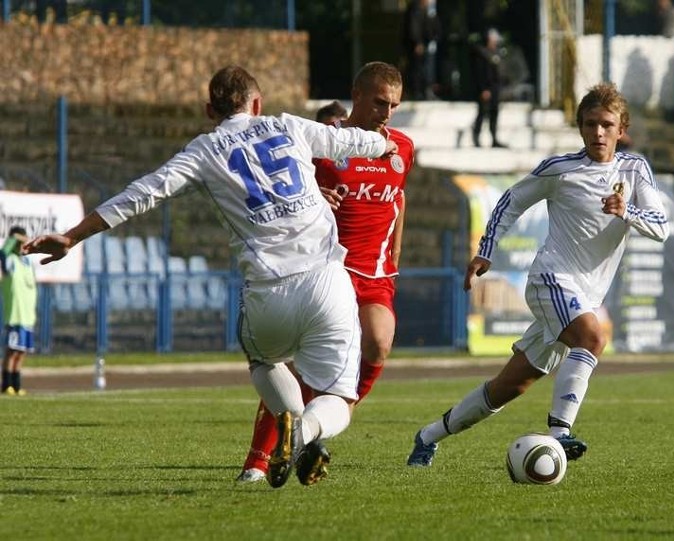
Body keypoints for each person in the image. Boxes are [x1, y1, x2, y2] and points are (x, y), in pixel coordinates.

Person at [22, 65, 398, 488]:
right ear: (257, 104)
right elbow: (350, 140)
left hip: (267, 292)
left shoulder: (204, 151)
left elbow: (142, 194)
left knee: (264, 360)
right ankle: (307, 432)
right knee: (339, 399)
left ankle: (289, 422)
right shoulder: (287, 125)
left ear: (209, 110)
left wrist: (72, 236)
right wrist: (382, 143)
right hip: (327, 281)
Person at [406, 82, 670, 467]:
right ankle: (559, 435)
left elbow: (661, 227)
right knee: (593, 335)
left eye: (607, 125)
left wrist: (626, 210)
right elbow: (509, 202)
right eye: (591, 124)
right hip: (551, 279)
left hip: (585, 295)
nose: (599, 132)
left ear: (621, 128)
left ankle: (428, 436)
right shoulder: (560, 169)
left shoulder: (635, 169)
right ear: (580, 127)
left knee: (509, 386)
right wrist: (486, 252)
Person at [237, 62, 415, 483]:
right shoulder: (324, 142)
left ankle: (313, 428)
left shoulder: (402, 147)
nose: (386, 112)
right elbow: (282, 188)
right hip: (323, 267)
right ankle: (257, 464)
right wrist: (316, 191)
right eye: (379, 102)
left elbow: (398, 201)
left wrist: (395, 258)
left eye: (393, 105)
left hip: (374, 274)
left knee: (379, 343)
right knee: (296, 372)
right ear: (356, 94)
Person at [1, 227, 37, 396]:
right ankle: (6, 384)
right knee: (11, 351)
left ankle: (16, 385)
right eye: (20, 242)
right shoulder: (10, 261)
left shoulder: (27, 263)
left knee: (21, 352)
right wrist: (12, 239)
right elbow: (2, 253)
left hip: (27, 317)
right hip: (14, 315)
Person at [471, 28, 506, 148]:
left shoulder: (495, 54)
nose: (495, 42)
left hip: (494, 88)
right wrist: (483, 89)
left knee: (494, 114)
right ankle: (476, 138)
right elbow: (479, 74)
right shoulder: (482, 54)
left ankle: (494, 139)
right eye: (493, 40)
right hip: (485, 89)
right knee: (482, 113)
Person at [401, 0, 441, 100]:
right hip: (416, 46)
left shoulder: (428, 10)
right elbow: (413, 27)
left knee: (425, 69)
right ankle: (416, 92)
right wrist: (417, 42)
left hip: (425, 44)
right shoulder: (415, 9)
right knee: (416, 69)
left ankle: (424, 91)